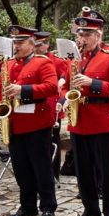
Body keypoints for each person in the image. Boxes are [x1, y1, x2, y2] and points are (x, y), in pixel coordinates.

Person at [62, 16, 109, 216]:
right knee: (83, 170)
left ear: (98, 36)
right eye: (80, 34)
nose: (83, 38)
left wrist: (93, 83)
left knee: (107, 170)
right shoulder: (74, 59)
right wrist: (64, 99)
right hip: (78, 121)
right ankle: (90, 210)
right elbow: (64, 86)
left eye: (88, 34)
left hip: (101, 121)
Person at [0, 25, 59, 216]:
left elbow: (51, 87)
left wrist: (22, 90)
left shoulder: (43, 62)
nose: (16, 46)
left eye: (21, 42)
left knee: (42, 167)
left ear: (32, 44)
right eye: (15, 42)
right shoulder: (8, 64)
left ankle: (48, 206)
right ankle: (28, 206)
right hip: (15, 122)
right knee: (21, 168)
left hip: (37, 122)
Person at [34, 31, 68, 181]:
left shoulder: (57, 61)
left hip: (52, 106)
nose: (35, 47)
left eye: (39, 44)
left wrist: (60, 100)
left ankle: (54, 174)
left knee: (53, 141)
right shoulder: (30, 60)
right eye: (34, 44)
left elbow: (65, 79)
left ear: (46, 45)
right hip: (34, 106)